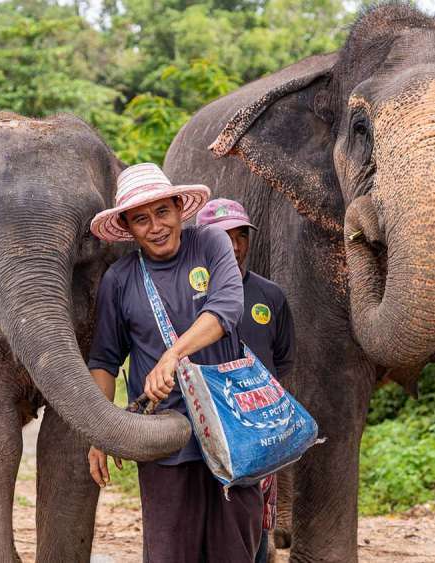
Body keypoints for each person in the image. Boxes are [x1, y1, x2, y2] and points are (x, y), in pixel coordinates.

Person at [86, 163, 263, 561]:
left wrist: (171, 356)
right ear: (128, 228)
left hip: (233, 432)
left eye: (163, 212)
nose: (156, 227)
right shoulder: (121, 278)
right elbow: (104, 360)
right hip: (167, 440)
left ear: (180, 208)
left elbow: (227, 306)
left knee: (235, 551)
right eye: (141, 220)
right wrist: (100, 431)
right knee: (170, 553)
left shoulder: (211, 244)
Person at [197, 198, 295, 563]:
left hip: (256, 433)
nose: (235, 247)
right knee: (206, 525)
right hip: (204, 432)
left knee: (254, 527)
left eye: (241, 236)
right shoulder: (189, 295)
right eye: (224, 238)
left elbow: (282, 360)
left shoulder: (271, 295)